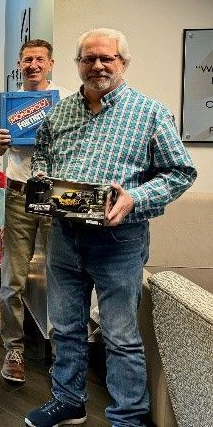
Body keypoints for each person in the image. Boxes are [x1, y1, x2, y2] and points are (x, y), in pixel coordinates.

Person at [25, 28, 196, 427]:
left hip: (120, 241)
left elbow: (181, 172)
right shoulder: (60, 112)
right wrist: (42, 181)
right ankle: (69, 400)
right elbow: (43, 159)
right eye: (88, 59)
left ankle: (128, 417)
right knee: (65, 328)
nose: (97, 65)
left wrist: (135, 197)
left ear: (123, 63)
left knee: (120, 336)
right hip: (65, 236)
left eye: (107, 58)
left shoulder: (149, 113)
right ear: (78, 64)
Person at [0, 39, 70, 384]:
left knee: (62, 278)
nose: (33, 65)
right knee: (12, 279)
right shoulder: (7, 102)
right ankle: (14, 349)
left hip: (56, 195)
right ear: (19, 65)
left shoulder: (66, 98)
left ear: (50, 63)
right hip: (20, 195)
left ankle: (62, 353)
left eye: (39, 59)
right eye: (27, 60)